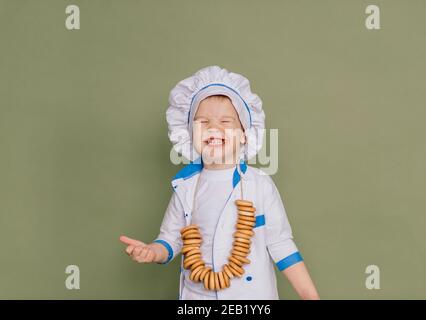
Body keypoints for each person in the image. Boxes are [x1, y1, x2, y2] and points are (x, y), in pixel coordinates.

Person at [120, 66, 319, 300]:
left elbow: (281, 244)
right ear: (188, 133)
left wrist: (309, 295)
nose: (213, 128)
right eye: (203, 121)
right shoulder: (185, 187)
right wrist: (152, 252)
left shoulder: (260, 185)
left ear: (245, 134)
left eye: (226, 121)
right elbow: (170, 240)